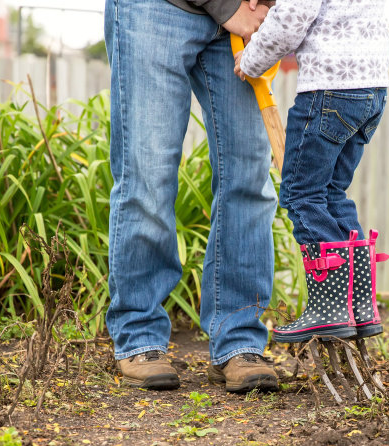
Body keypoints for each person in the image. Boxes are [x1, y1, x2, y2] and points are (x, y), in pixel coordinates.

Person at [104, 0, 281, 393]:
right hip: (156, 9)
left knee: (249, 175)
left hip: (243, 20)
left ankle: (238, 340)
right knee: (147, 173)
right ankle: (139, 336)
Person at [235, 0, 389, 343]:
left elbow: (291, 17)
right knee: (332, 194)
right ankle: (359, 305)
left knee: (301, 195)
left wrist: (251, 60)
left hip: (329, 89)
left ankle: (331, 308)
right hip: (372, 90)